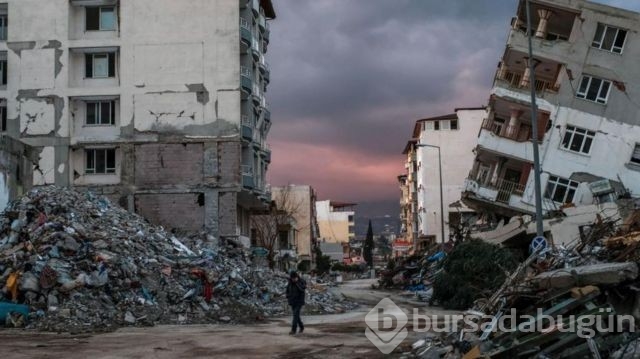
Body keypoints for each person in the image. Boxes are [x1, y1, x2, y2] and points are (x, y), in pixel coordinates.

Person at [286, 270, 306, 335]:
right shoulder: (290, 282)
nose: (293, 279)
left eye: (294, 278)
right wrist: (288, 296)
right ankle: (301, 326)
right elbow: (287, 290)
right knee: (296, 315)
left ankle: (293, 330)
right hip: (292, 301)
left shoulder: (302, 281)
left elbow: (302, 289)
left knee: (295, 315)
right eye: (292, 278)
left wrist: (297, 283)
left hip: (299, 301)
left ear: (297, 277)